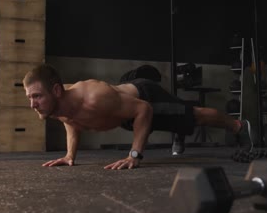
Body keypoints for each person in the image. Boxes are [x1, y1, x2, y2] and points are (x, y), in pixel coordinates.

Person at [23, 64, 251, 170]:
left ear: (55, 91)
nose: (32, 104)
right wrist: (69, 155)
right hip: (126, 115)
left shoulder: (93, 97)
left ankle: (238, 126)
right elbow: (70, 120)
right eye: (30, 97)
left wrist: (134, 155)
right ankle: (179, 130)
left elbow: (144, 110)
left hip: (145, 97)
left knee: (194, 116)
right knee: (179, 121)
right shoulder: (53, 105)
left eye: (37, 97)